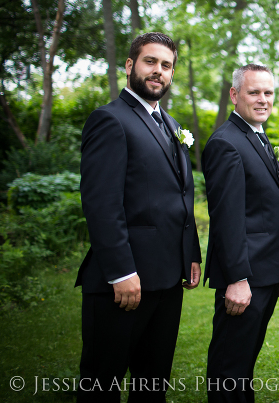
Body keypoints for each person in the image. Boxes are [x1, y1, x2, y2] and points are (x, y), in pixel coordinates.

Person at [76, 32, 201, 401]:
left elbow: (180, 195)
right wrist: (121, 271)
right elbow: (101, 204)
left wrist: (190, 251)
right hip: (123, 282)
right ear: (130, 65)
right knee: (103, 382)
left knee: (152, 382)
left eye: (166, 65)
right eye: (151, 62)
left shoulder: (173, 126)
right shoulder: (109, 120)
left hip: (167, 280)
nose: (158, 71)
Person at [202, 64, 279, 402]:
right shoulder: (227, 143)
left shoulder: (256, 134)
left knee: (244, 363)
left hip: (265, 272)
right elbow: (228, 219)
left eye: (268, 93)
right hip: (244, 278)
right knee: (230, 365)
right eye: (254, 92)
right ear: (235, 95)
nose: (263, 99)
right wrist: (237, 279)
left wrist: (278, 270)